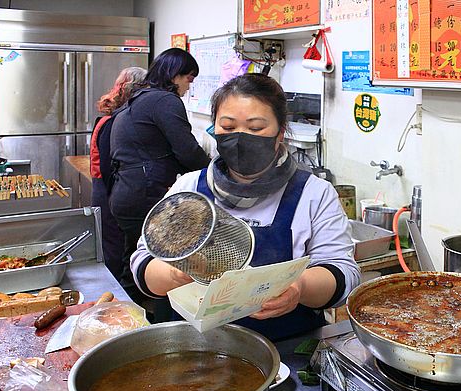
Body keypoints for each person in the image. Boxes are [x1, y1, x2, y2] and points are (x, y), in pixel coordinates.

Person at [130, 73, 360, 341]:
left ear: (279, 133)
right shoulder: (190, 187)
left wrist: (299, 287)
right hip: (191, 349)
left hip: (284, 353)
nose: (240, 138)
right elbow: (143, 262)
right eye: (228, 127)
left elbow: (344, 273)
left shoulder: (314, 193)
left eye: (255, 128)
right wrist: (173, 274)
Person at [109, 48, 211, 315]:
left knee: (131, 263)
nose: (189, 86)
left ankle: (122, 320)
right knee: (159, 265)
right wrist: (215, 172)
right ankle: (139, 326)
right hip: (146, 192)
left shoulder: (138, 99)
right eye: (189, 78)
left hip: (126, 191)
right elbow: (187, 151)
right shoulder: (165, 100)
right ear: (174, 74)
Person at [89, 66, 147, 280]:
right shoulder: (114, 121)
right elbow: (107, 165)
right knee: (113, 246)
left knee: (113, 243)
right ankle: (116, 295)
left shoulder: (113, 118)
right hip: (105, 189)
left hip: (103, 186)